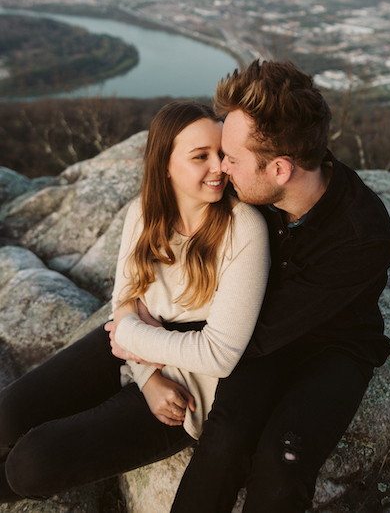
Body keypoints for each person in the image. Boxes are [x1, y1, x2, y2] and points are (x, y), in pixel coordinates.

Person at [0, 101, 269, 501]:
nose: (219, 168)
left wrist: (134, 341)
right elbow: (125, 300)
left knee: (30, 465)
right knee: (7, 415)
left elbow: (220, 355)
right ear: (165, 165)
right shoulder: (144, 211)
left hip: (186, 389)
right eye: (201, 157)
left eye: (222, 155)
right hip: (134, 351)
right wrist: (145, 377)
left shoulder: (243, 226)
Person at [169, 60, 390, 512]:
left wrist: (152, 341)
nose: (221, 168)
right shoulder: (250, 188)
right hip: (258, 334)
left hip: (334, 347)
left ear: (280, 170)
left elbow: (252, 336)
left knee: (282, 461)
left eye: (232, 159)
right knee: (224, 440)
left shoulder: (361, 234)